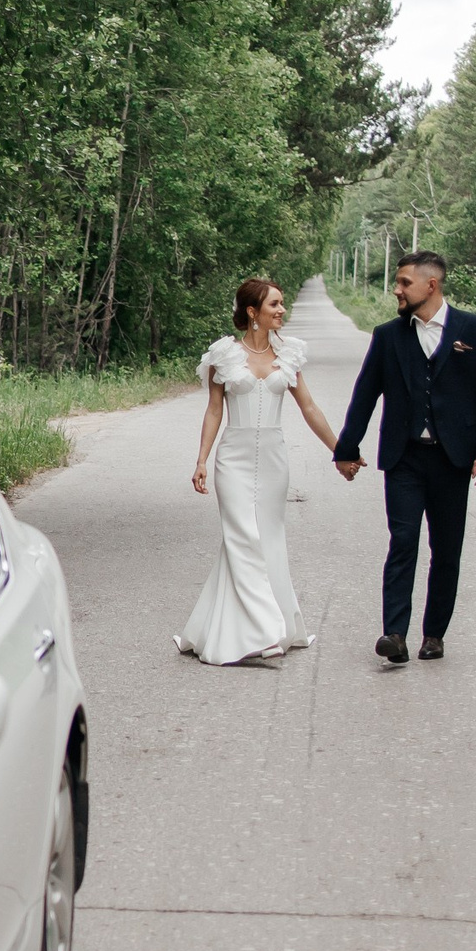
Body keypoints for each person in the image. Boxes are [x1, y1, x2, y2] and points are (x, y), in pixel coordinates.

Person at [331, 250, 476, 664]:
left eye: (405, 282)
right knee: (403, 541)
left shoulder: (474, 331)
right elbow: (365, 394)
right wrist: (346, 449)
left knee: (446, 549)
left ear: (432, 284)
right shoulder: (388, 335)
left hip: (453, 459)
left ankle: (434, 635)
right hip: (404, 456)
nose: (397, 289)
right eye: (398, 282)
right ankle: (394, 634)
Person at [178, 278, 341, 665]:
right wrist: (201, 460)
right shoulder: (224, 355)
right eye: (275, 305)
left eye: (282, 304)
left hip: (273, 460)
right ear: (253, 312)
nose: (282, 310)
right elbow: (215, 410)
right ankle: (263, 631)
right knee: (241, 538)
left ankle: (232, 624)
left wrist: (340, 451)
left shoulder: (289, 355)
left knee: (267, 538)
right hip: (232, 459)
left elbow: (310, 408)